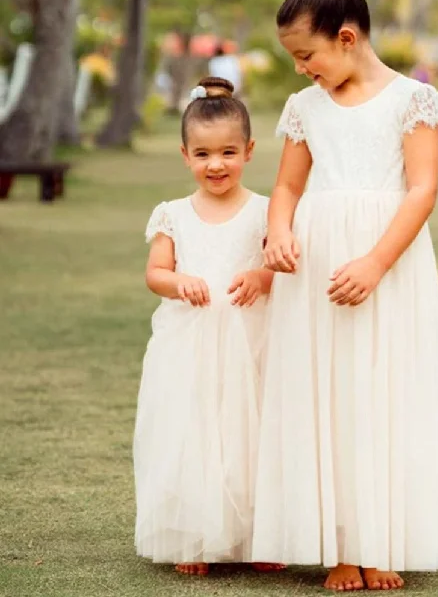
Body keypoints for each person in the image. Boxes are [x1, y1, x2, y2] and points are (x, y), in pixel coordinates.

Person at [252, 0, 438, 591]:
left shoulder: (413, 100)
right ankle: (338, 546)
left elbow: (421, 191)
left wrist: (374, 262)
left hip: (384, 265)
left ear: (347, 37)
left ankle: (381, 540)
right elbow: (286, 186)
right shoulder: (305, 107)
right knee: (326, 398)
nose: (303, 70)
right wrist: (279, 231)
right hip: (316, 271)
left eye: (307, 56)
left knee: (383, 396)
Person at [134, 76, 281, 576]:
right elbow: (156, 273)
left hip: (250, 341)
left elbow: (282, 271)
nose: (215, 165)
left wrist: (261, 276)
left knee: (251, 435)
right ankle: (194, 537)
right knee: (194, 432)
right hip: (191, 345)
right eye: (202, 154)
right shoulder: (173, 214)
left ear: (248, 150)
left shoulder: (265, 212)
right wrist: (179, 282)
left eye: (227, 152)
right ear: (184, 155)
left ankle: (261, 536)